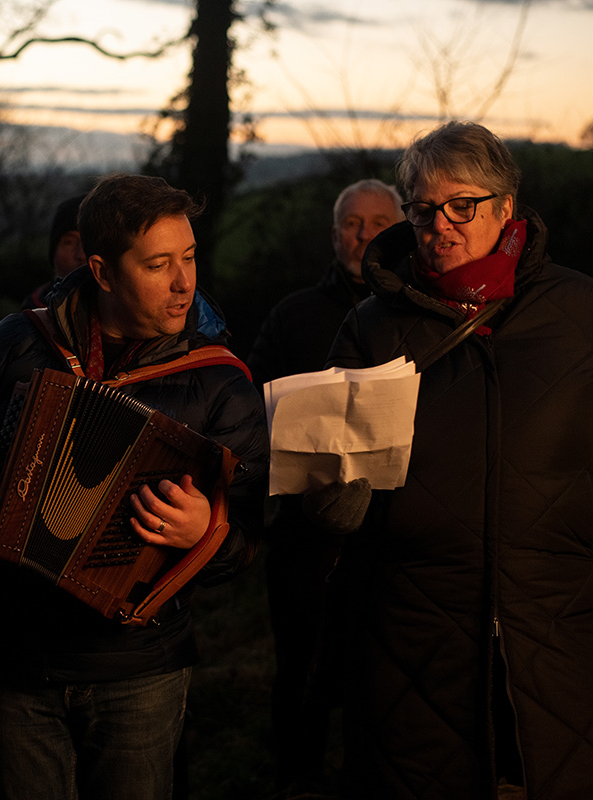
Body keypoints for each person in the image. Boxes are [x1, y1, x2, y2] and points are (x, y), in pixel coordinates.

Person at [0, 173, 268, 800]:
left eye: (189, 258)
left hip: (140, 667)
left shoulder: (222, 382)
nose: (184, 282)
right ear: (102, 271)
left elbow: (252, 534)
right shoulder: (21, 340)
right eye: (158, 265)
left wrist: (206, 532)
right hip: (21, 660)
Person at [325, 121, 593, 799]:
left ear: (505, 208)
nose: (440, 225)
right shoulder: (371, 326)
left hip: (558, 627)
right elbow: (331, 505)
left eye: (462, 206)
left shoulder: (579, 313)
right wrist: (332, 494)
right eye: (423, 210)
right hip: (413, 641)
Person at [245, 179, 403, 794]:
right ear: (334, 235)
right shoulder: (293, 316)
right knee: (301, 672)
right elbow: (250, 409)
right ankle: (299, 779)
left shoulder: (418, 314)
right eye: (351, 224)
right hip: (305, 537)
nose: (364, 236)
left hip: (396, 537)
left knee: (384, 677)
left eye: (378, 223)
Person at [21, 194, 88, 309]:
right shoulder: (31, 314)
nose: (81, 255)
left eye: (89, 243)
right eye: (69, 242)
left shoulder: (118, 315)